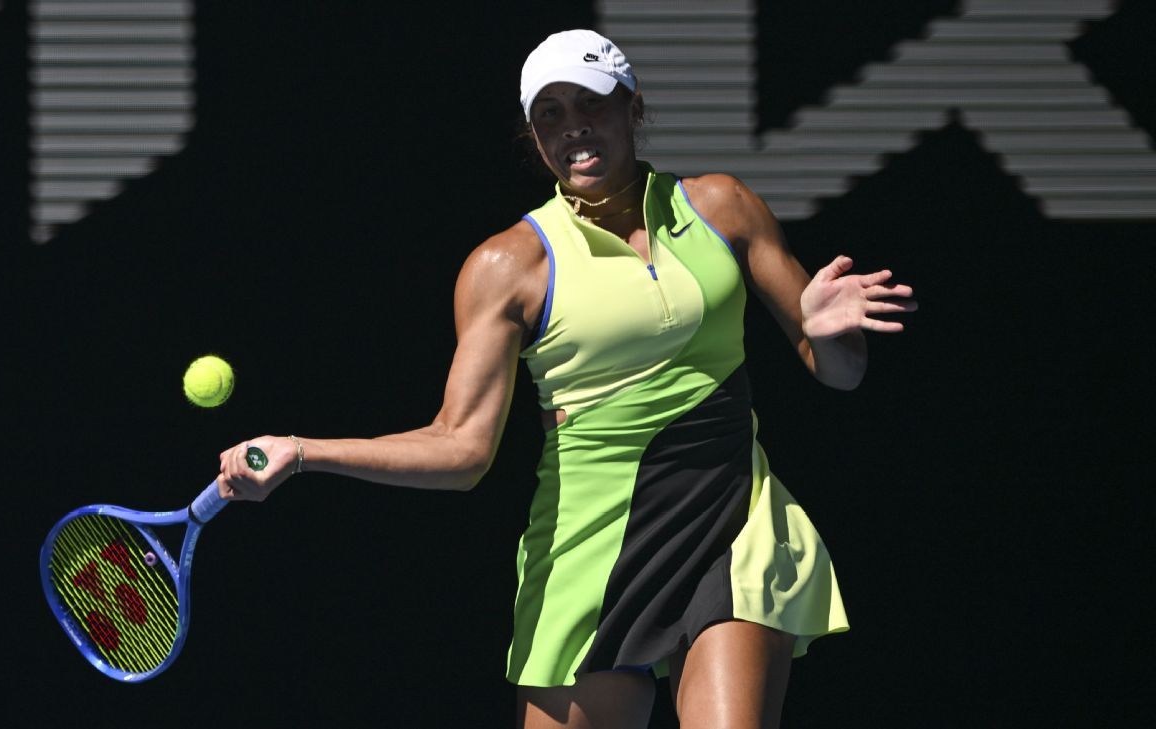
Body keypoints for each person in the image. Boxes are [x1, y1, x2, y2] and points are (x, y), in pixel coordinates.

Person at [217, 29, 915, 729]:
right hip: (589, 550)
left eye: (591, 102)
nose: (573, 125)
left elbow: (842, 374)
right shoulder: (509, 266)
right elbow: (460, 447)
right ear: (534, 135)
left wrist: (830, 336)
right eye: (550, 113)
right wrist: (301, 451)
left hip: (733, 522)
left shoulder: (722, 207)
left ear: (633, 107)